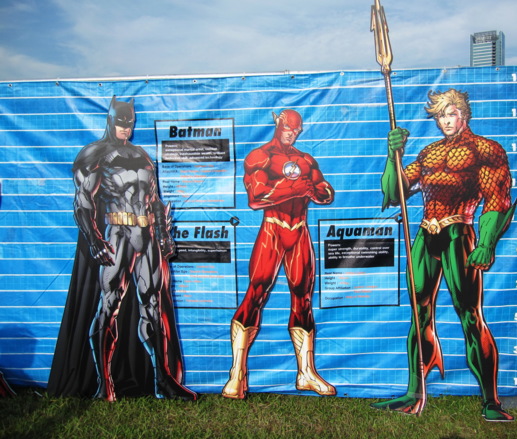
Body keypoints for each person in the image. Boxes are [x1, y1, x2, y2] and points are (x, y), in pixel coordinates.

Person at [372, 89, 515, 421]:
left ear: (464, 114)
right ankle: (414, 393)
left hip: (457, 234)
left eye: (451, 114)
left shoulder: (485, 149)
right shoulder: (430, 153)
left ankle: (491, 401)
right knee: (419, 313)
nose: (446, 121)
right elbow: (394, 193)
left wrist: (486, 243)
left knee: (470, 315)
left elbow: (497, 199)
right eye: (440, 116)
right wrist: (393, 155)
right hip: (426, 235)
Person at [48, 97, 196, 402]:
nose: (126, 128)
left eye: (130, 123)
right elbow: (83, 201)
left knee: (153, 305)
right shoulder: (95, 154)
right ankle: (105, 384)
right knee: (110, 304)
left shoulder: (141, 155)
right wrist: (94, 239)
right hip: (118, 234)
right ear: (111, 120)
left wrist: (164, 236)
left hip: (147, 235)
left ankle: (163, 380)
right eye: (121, 123)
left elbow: (154, 199)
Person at [222, 109, 336, 399]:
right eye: (288, 128)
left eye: (296, 130)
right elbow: (255, 198)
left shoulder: (305, 159)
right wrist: (294, 188)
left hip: (299, 232)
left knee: (303, 298)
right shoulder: (259, 157)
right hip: (273, 230)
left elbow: (325, 192)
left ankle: (306, 373)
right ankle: (237, 373)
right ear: (278, 124)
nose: (291, 134)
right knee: (256, 293)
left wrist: (316, 190)